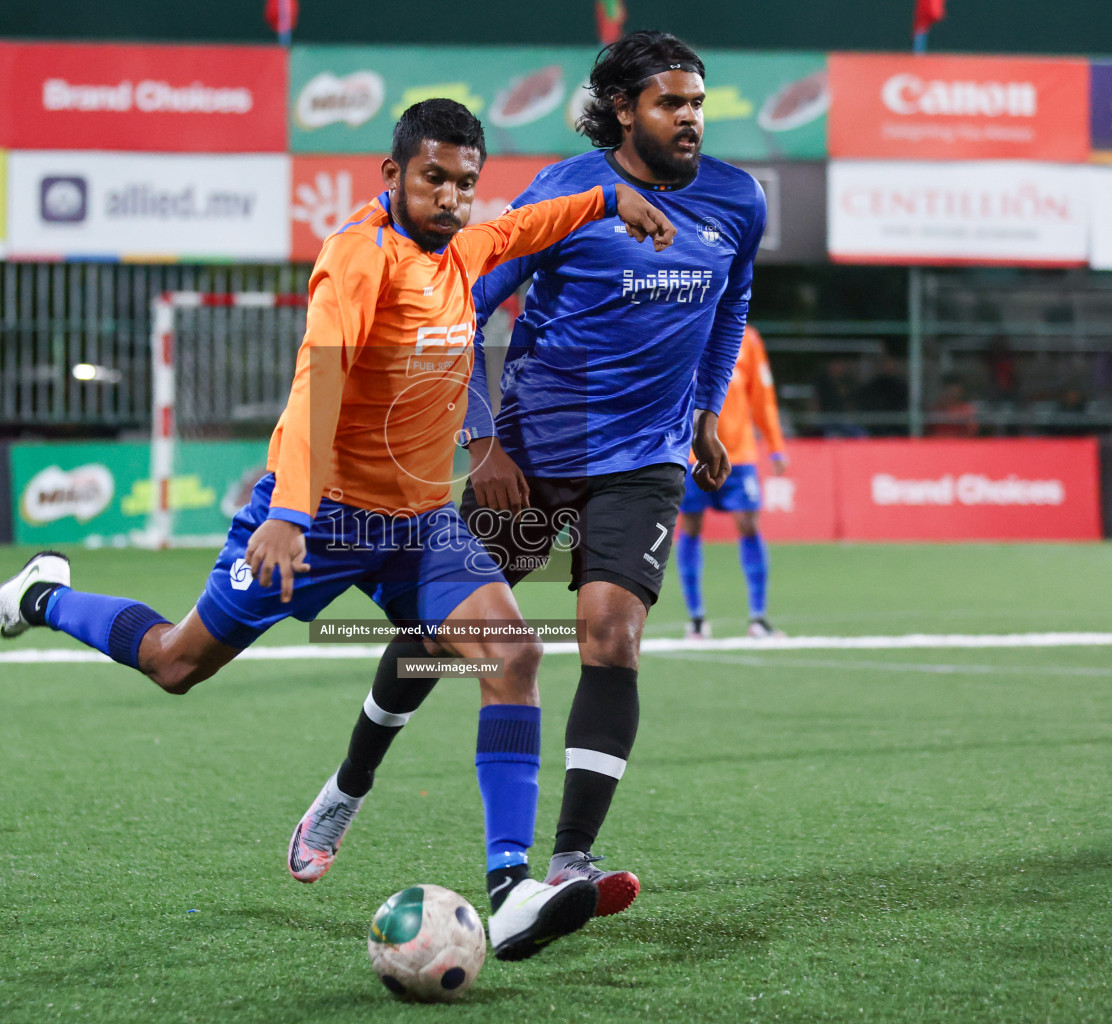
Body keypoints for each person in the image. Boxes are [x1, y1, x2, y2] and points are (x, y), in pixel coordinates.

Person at [0, 99, 675, 962]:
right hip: (321, 519)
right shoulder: (356, 259)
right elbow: (318, 388)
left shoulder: (468, 246)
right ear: (392, 175)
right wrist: (286, 515)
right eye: (434, 179)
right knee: (174, 663)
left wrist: (615, 201)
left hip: (419, 523)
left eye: (466, 183)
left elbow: (536, 219)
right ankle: (44, 595)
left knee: (514, 655)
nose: (453, 198)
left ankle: (511, 889)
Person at [292, 31, 765, 919]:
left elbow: (734, 299)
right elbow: (460, 304)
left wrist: (706, 408)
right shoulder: (564, 193)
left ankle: (568, 862)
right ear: (624, 110)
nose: (691, 118)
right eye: (672, 103)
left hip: (647, 460)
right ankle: (348, 787)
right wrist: (485, 442)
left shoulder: (738, 199)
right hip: (532, 457)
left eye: (698, 103)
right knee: (439, 638)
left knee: (611, 639)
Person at [674, 324, 788, 640]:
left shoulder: (747, 338)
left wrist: (776, 445)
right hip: (691, 455)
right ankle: (696, 619)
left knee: (749, 526)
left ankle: (758, 618)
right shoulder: (685, 327)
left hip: (739, 456)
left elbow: (762, 395)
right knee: (691, 528)